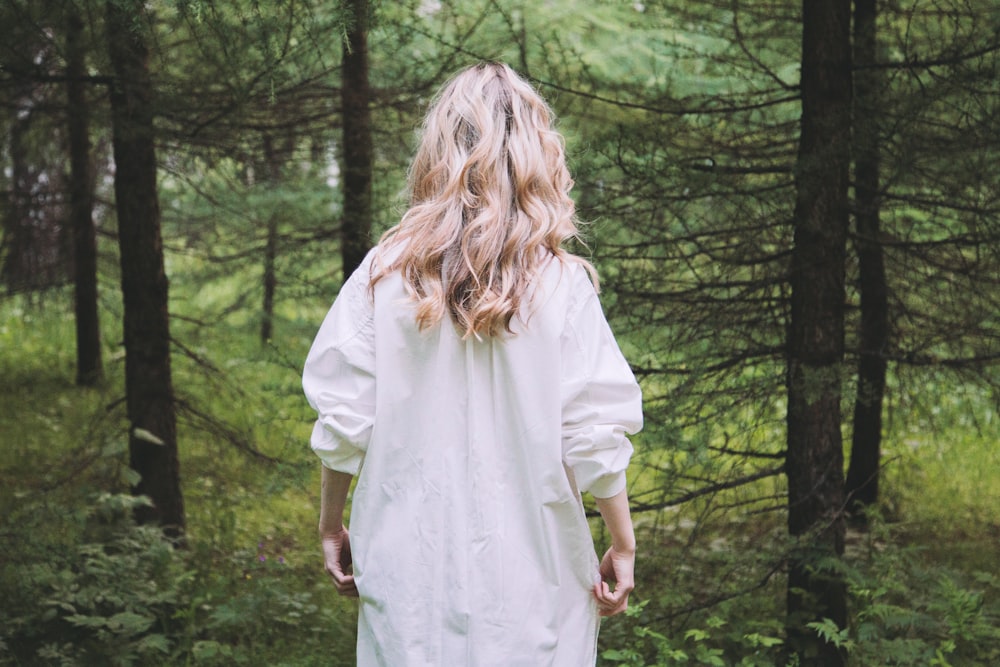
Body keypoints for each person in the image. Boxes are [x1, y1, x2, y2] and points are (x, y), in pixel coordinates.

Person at [303, 61, 643, 666]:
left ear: (437, 153)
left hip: (410, 579)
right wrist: (622, 541)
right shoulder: (562, 286)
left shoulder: (383, 277)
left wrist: (332, 524)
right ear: (536, 156)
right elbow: (593, 434)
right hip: (532, 585)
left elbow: (343, 421)